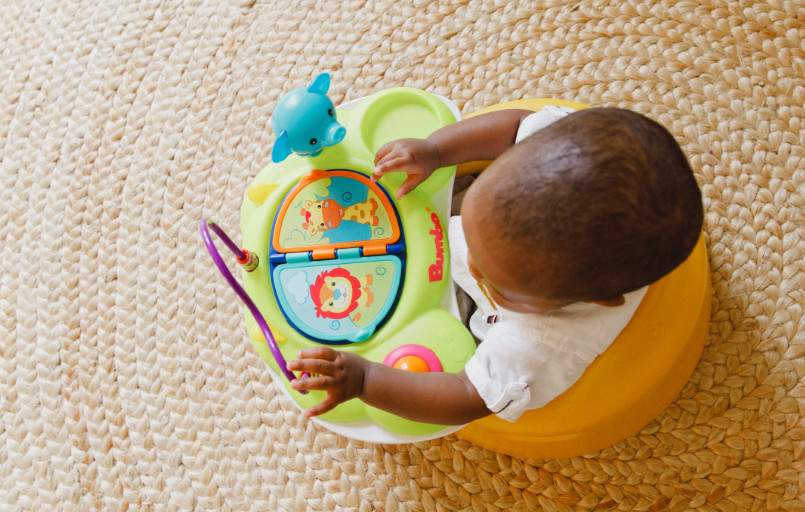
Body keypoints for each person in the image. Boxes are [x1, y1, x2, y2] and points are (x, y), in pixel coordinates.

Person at [286, 105, 704, 425]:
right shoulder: (557, 150)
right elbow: (513, 129)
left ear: (598, 299)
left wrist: (365, 381)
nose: (469, 261)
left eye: (500, 283)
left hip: (482, 316)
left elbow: (469, 395)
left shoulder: (543, 342)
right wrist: (437, 150)